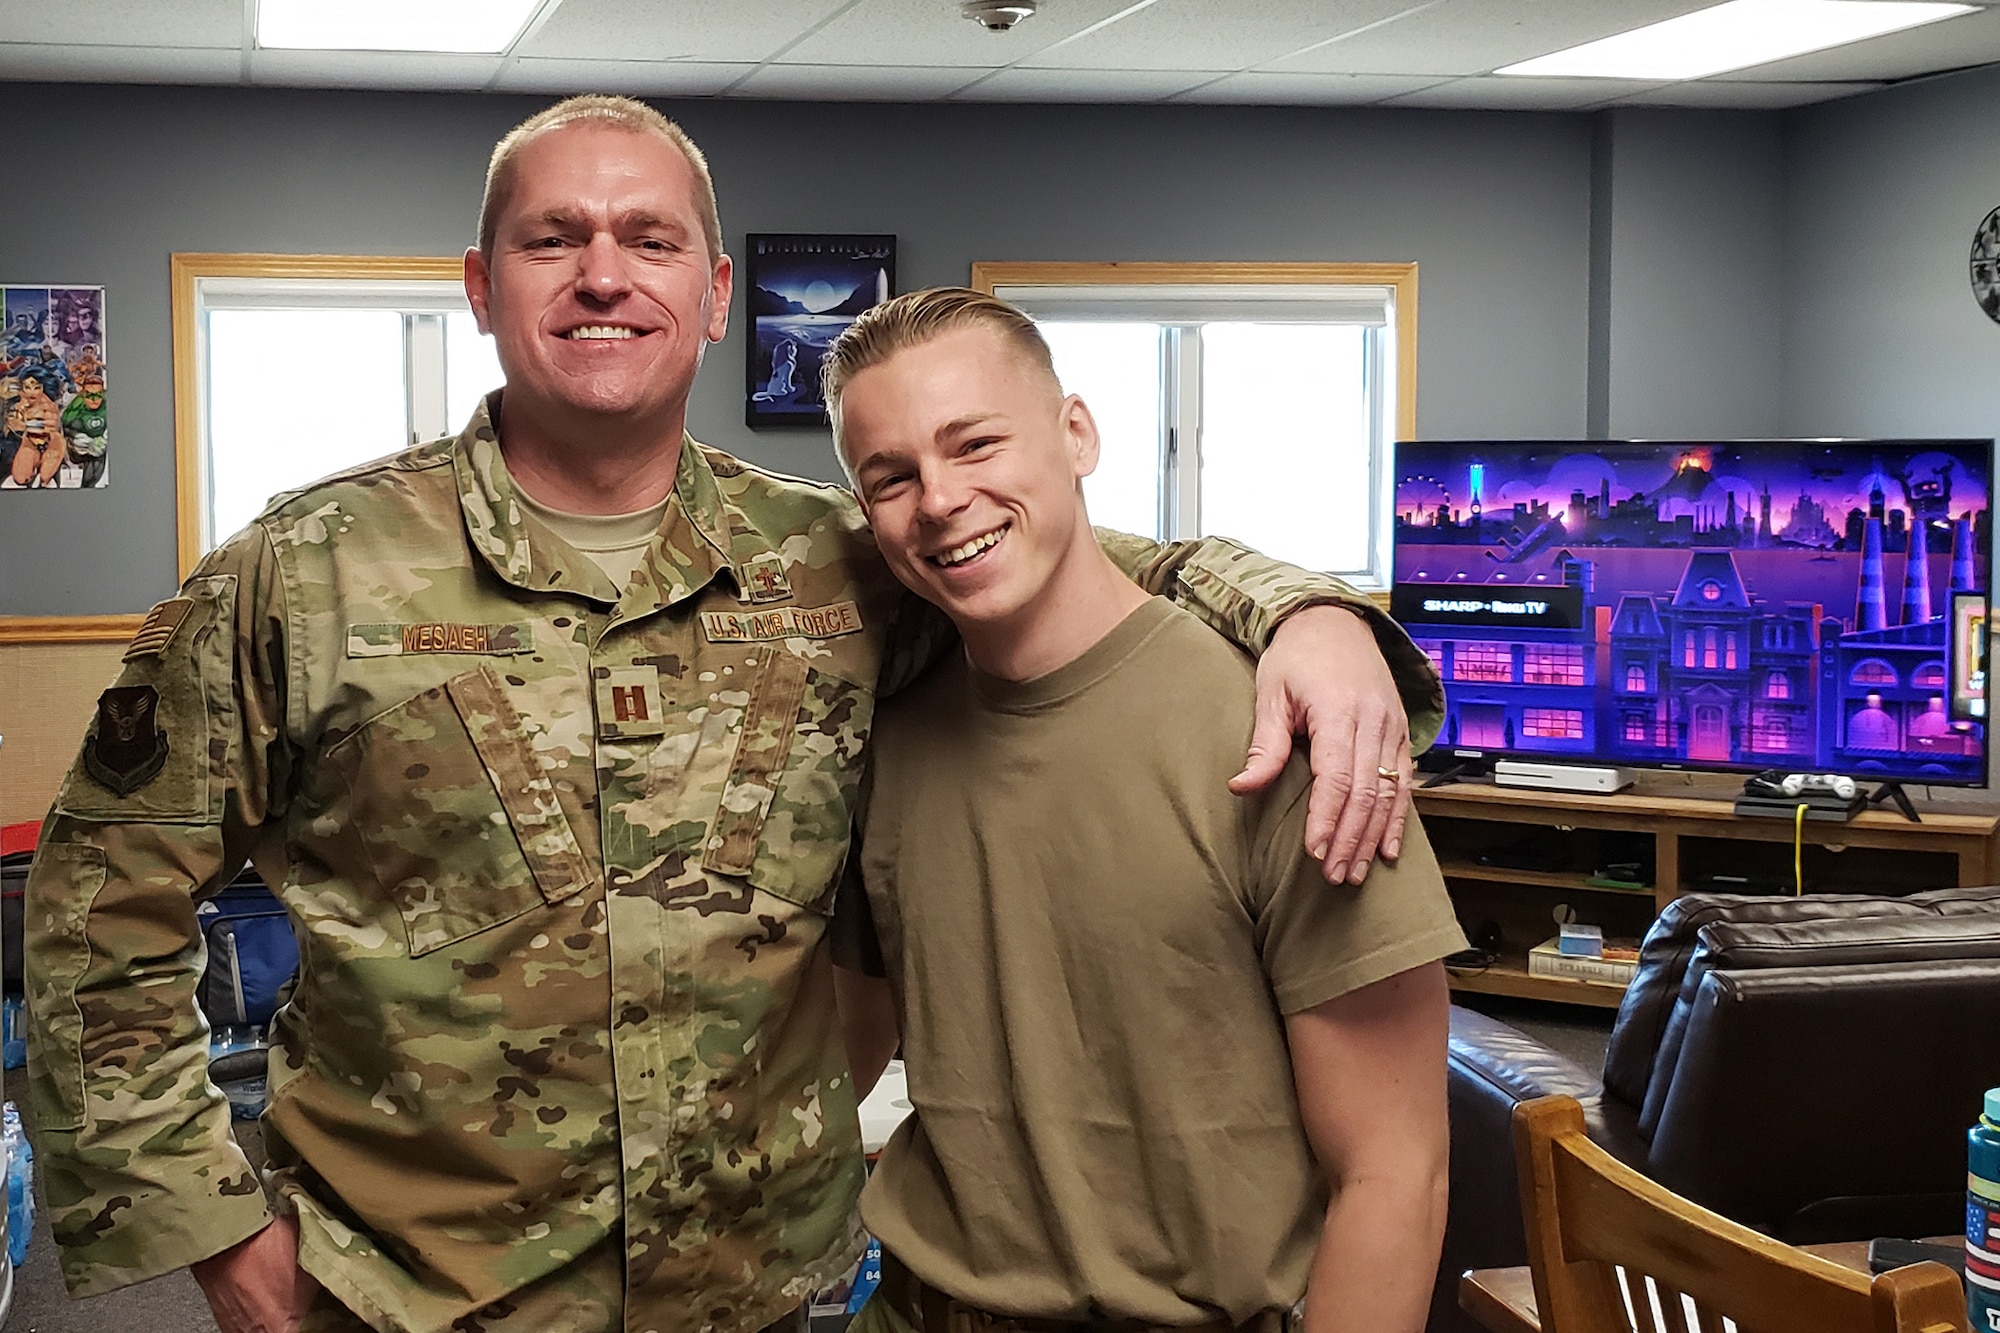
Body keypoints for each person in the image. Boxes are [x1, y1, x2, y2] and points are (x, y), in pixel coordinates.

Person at [22, 96, 1441, 1333]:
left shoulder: (834, 562)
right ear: (478, 283)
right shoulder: (306, 570)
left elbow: (1068, 559)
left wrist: (1304, 613)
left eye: (649, 240)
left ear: (710, 291)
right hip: (409, 1297)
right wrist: (212, 1233)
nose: (601, 275)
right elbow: (96, 904)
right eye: (552, 238)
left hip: (753, 1291)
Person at [820, 289, 1464, 1333]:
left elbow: (1394, 1171)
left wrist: (1317, 616)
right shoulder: (881, 735)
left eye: (974, 442)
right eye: (889, 476)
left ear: (1076, 434)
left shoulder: (1287, 728)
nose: (938, 500)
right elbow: (845, 1046)